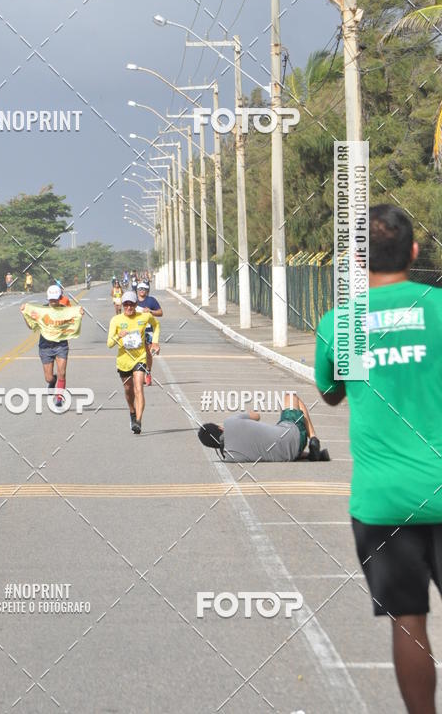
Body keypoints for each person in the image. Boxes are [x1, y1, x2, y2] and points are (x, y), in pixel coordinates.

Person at [315, 204, 442, 714]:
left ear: (357, 260)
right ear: (414, 251)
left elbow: (330, 394)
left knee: (408, 621)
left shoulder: (342, 325)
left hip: (383, 500)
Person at [198, 393, 328, 462]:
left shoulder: (230, 457)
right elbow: (257, 416)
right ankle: (314, 438)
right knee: (291, 397)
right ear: (220, 428)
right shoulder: (229, 422)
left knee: (267, 448)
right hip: (294, 433)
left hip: (291, 454)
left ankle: (309, 455)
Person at [107, 290, 160, 434]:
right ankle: (132, 411)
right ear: (123, 305)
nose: (129, 307)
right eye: (126, 305)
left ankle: (138, 421)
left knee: (138, 388)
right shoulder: (116, 320)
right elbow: (109, 344)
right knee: (128, 390)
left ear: (136, 304)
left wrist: (155, 342)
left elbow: (156, 325)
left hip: (140, 358)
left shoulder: (144, 316)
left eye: (131, 304)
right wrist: (119, 335)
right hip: (123, 360)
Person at [23, 284, 83, 408]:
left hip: (61, 345)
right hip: (45, 346)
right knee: (49, 378)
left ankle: (59, 398)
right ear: (48, 299)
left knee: (62, 372)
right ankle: (52, 381)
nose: (53, 301)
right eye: (51, 299)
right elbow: (31, 326)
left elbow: (74, 316)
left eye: (55, 299)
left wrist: (79, 314)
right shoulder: (42, 311)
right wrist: (24, 313)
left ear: (59, 298)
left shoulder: (65, 310)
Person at [135, 282, 163, 386]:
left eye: (144, 289)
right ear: (137, 290)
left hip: (148, 330)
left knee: (148, 353)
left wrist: (150, 311)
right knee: (138, 353)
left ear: (147, 290)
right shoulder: (133, 301)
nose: (142, 290)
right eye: (140, 288)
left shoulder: (151, 300)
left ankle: (148, 373)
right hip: (136, 331)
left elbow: (160, 312)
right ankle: (140, 373)